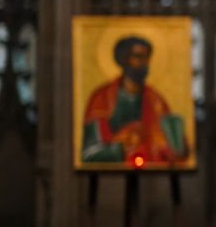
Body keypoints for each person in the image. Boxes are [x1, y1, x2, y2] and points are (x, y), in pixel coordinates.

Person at [81, 35, 189, 166]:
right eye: (138, 57)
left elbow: (172, 149)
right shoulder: (102, 98)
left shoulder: (156, 101)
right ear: (124, 59)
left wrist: (178, 147)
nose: (145, 63)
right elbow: (89, 153)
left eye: (147, 57)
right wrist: (122, 147)